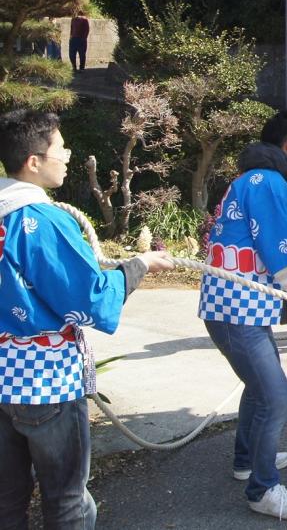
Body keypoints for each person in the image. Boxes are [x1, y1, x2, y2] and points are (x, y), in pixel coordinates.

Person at [0, 109, 174, 529]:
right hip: (45, 381)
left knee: (7, 503)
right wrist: (139, 266)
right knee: (67, 502)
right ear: (34, 161)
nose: (69, 153)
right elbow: (90, 298)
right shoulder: (39, 219)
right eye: (61, 146)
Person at [200, 110, 287, 521]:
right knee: (274, 397)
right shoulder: (269, 181)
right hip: (237, 309)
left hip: (234, 307)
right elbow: (280, 255)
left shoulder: (251, 179)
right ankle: (263, 489)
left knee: (258, 387)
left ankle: (246, 460)